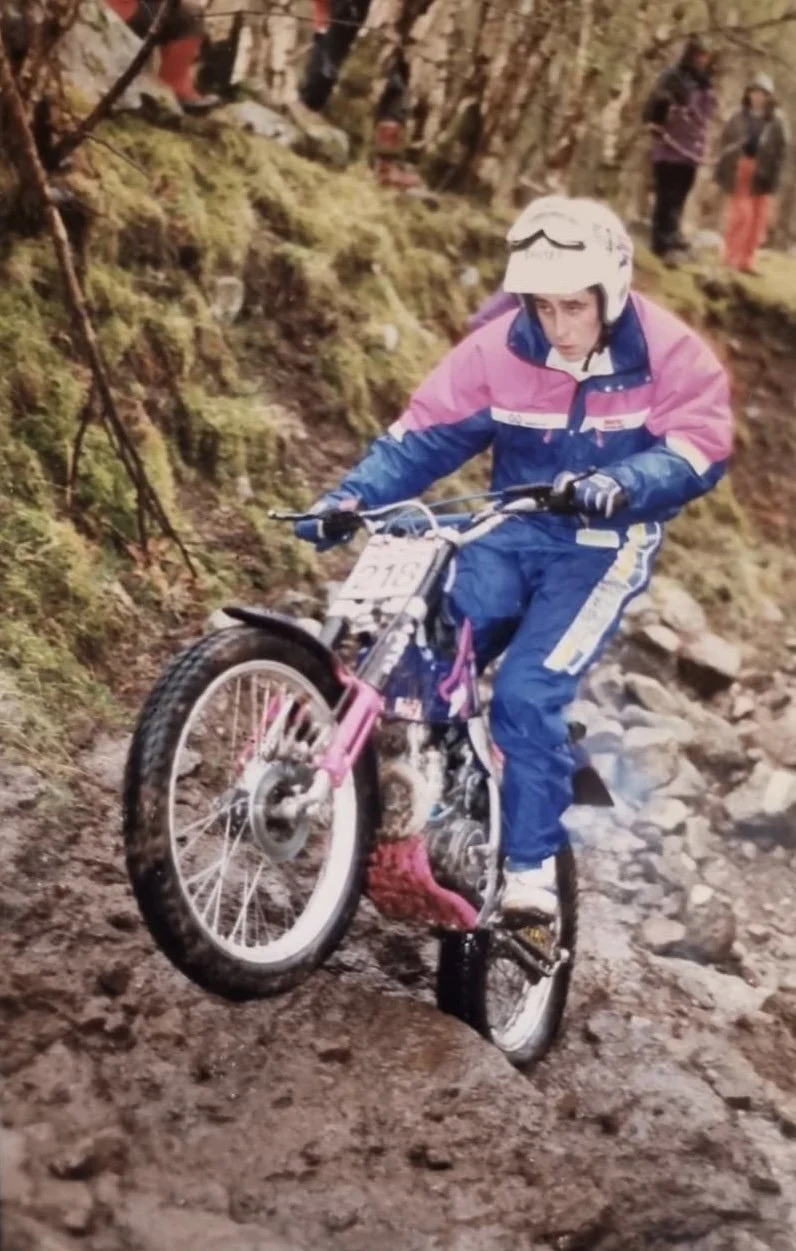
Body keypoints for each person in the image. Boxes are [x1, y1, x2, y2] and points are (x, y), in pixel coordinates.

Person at [295, 196, 732, 920]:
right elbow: (424, 437)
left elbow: (700, 445)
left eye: (573, 307)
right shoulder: (499, 346)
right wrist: (349, 497)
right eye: (542, 307)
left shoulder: (670, 353)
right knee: (422, 646)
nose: (556, 326)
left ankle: (530, 870)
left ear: (610, 294)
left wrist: (624, 482)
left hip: (602, 548)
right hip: (507, 530)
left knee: (529, 692)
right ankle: (429, 807)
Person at [643, 35, 717, 262]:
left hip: (690, 152)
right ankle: (661, 241)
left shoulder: (704, 83)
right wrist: (659, 120)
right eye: (699, 55)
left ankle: (672, 234)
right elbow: (653, 108)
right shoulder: (671, 77)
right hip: (669, 148)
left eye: (706, 56)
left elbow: (706, 114)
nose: (702, 60)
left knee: (680, 195)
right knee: (667, 195)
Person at [715, 72, 790, 275]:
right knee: (742, 215)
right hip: (742, 167)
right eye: (754, 92)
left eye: (762, 93)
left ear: (769, 96)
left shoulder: (777, 121)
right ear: (748, 94)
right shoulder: (739, 117)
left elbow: (782, 151)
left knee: (759, 220)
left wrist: (773, 177)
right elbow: (726, 142)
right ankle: (730, 256)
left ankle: (747, 261)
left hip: (764, 173)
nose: (757, 97)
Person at [104, 0, 219, 113]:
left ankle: (176, 84)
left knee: (188, 11)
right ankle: (176, 84)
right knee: (191, 14)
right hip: (117, 10)